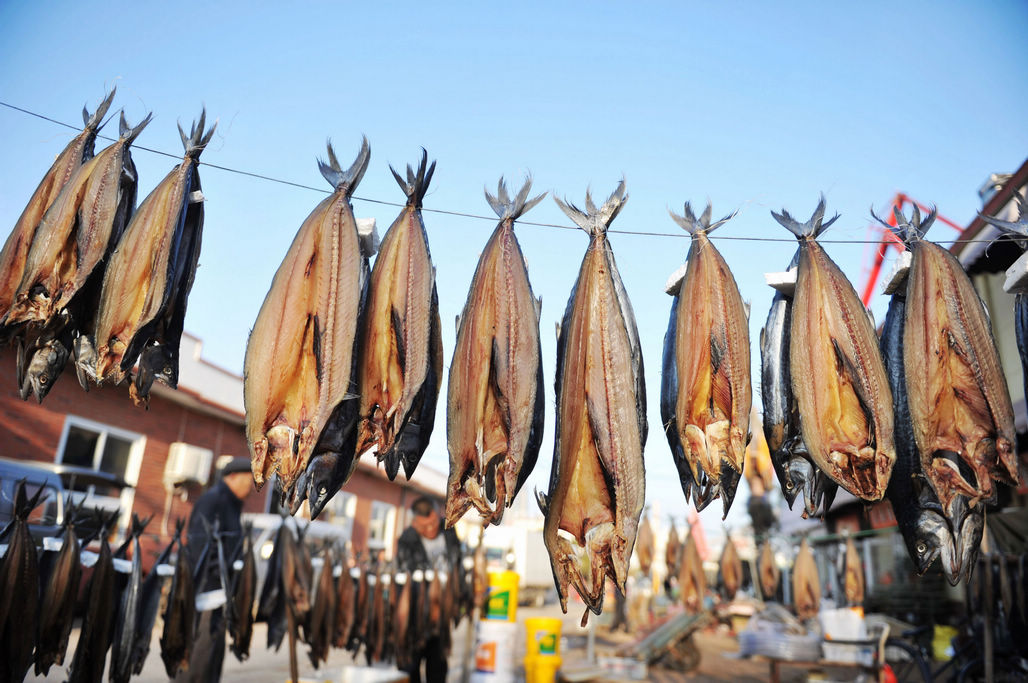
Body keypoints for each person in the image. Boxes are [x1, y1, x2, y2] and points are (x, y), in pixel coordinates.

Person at [177, 456, 253, 683]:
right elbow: (201, 546)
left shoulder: (231, 504)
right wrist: (216, 584)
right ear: (232, 477)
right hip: (205, 595)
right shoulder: (213, 501)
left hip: (221, 597)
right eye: (248, 481)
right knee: (198, 660)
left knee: (212, 660)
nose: (251, 487)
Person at [396, 496, 463, 683]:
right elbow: (404, 577)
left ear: (438, 515)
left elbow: (458, 565)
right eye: (424, 526)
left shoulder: (449, 530)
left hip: (441, 615)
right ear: (415, 523)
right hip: (415, 618)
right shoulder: (406, 540)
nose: (431, 529)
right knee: (410, 669)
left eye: (433, 523)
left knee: (438, 670)